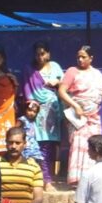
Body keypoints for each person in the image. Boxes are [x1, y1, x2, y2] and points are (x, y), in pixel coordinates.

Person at [58, 45, 102, 186]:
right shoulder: (72, 71)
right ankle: (77, 179)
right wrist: (75, 106)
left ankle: (93, 178)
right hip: (78, 117)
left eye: (84, 57)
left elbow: (97, 93)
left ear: (91, 58)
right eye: (78, 57)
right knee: (78, 144)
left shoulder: (97, 74)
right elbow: (62, 92)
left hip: (93, 116)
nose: (80, 60)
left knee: (95, 144)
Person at [21, 41, 64, 188]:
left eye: (43, 53)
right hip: (36, 112)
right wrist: (32, 107)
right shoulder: (29, 69)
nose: (40, 57)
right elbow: (27, 90)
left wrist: (56, 82)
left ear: (48, 54)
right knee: (39, 146)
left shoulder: (55, 67)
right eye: (37, 54)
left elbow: (64, 85)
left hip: (53, 111)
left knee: (51, 147)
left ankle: (49, 177)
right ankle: (45, 181)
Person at [18, 100, 44, 165]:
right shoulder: (22, 120)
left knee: (36, 161)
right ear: (25, 110)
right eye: (29, 110)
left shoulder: (33, 121)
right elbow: (15, 130)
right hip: (26, 145)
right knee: (26, 161)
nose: (31, 113)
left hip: (33, 145)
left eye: (34, 112)